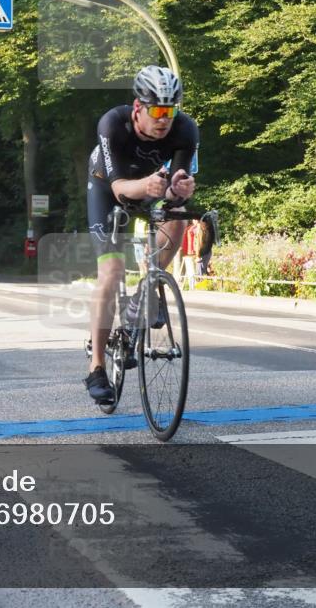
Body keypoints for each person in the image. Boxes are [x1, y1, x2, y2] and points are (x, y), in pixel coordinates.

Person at [85, 65, 198, 403]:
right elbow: (120, 187)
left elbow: (176, 188)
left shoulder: (185, 129)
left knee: (178, 215)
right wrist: (147, 186)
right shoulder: (112, 125)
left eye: (171, 110)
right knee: (111, 272)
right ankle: (96, 367)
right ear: (138, 109)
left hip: (152, 188)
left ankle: (147, 289)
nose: (165, 118)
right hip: (108, 189)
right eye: (158, 110)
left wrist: (182, 188)